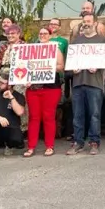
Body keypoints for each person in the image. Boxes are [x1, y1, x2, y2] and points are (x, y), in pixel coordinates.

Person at [67, 13, 105, 155]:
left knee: (94, 114)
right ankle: (78, 142)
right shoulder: (75, 42)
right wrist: (73, 68)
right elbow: (69, 63)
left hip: (95, 83)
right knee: (78, 115)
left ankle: (94, 142)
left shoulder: (103, 41)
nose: (86, 23)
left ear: (94, 23)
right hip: (78, 83)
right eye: (84, 21)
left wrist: (99, 66)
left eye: (88, 21)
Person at [25, 28, 66, 157]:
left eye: (45, 33)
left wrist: (47, 66)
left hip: (51, 87)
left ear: (50, 35)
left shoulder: (55, 49)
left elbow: (61, 66)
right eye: (40, 33)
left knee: (48, 117)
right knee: (33, 117)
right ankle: (31, 147)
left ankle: (49, 146)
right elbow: (24, 66)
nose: (42, 35)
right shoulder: (32, 49)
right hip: (33, 88)